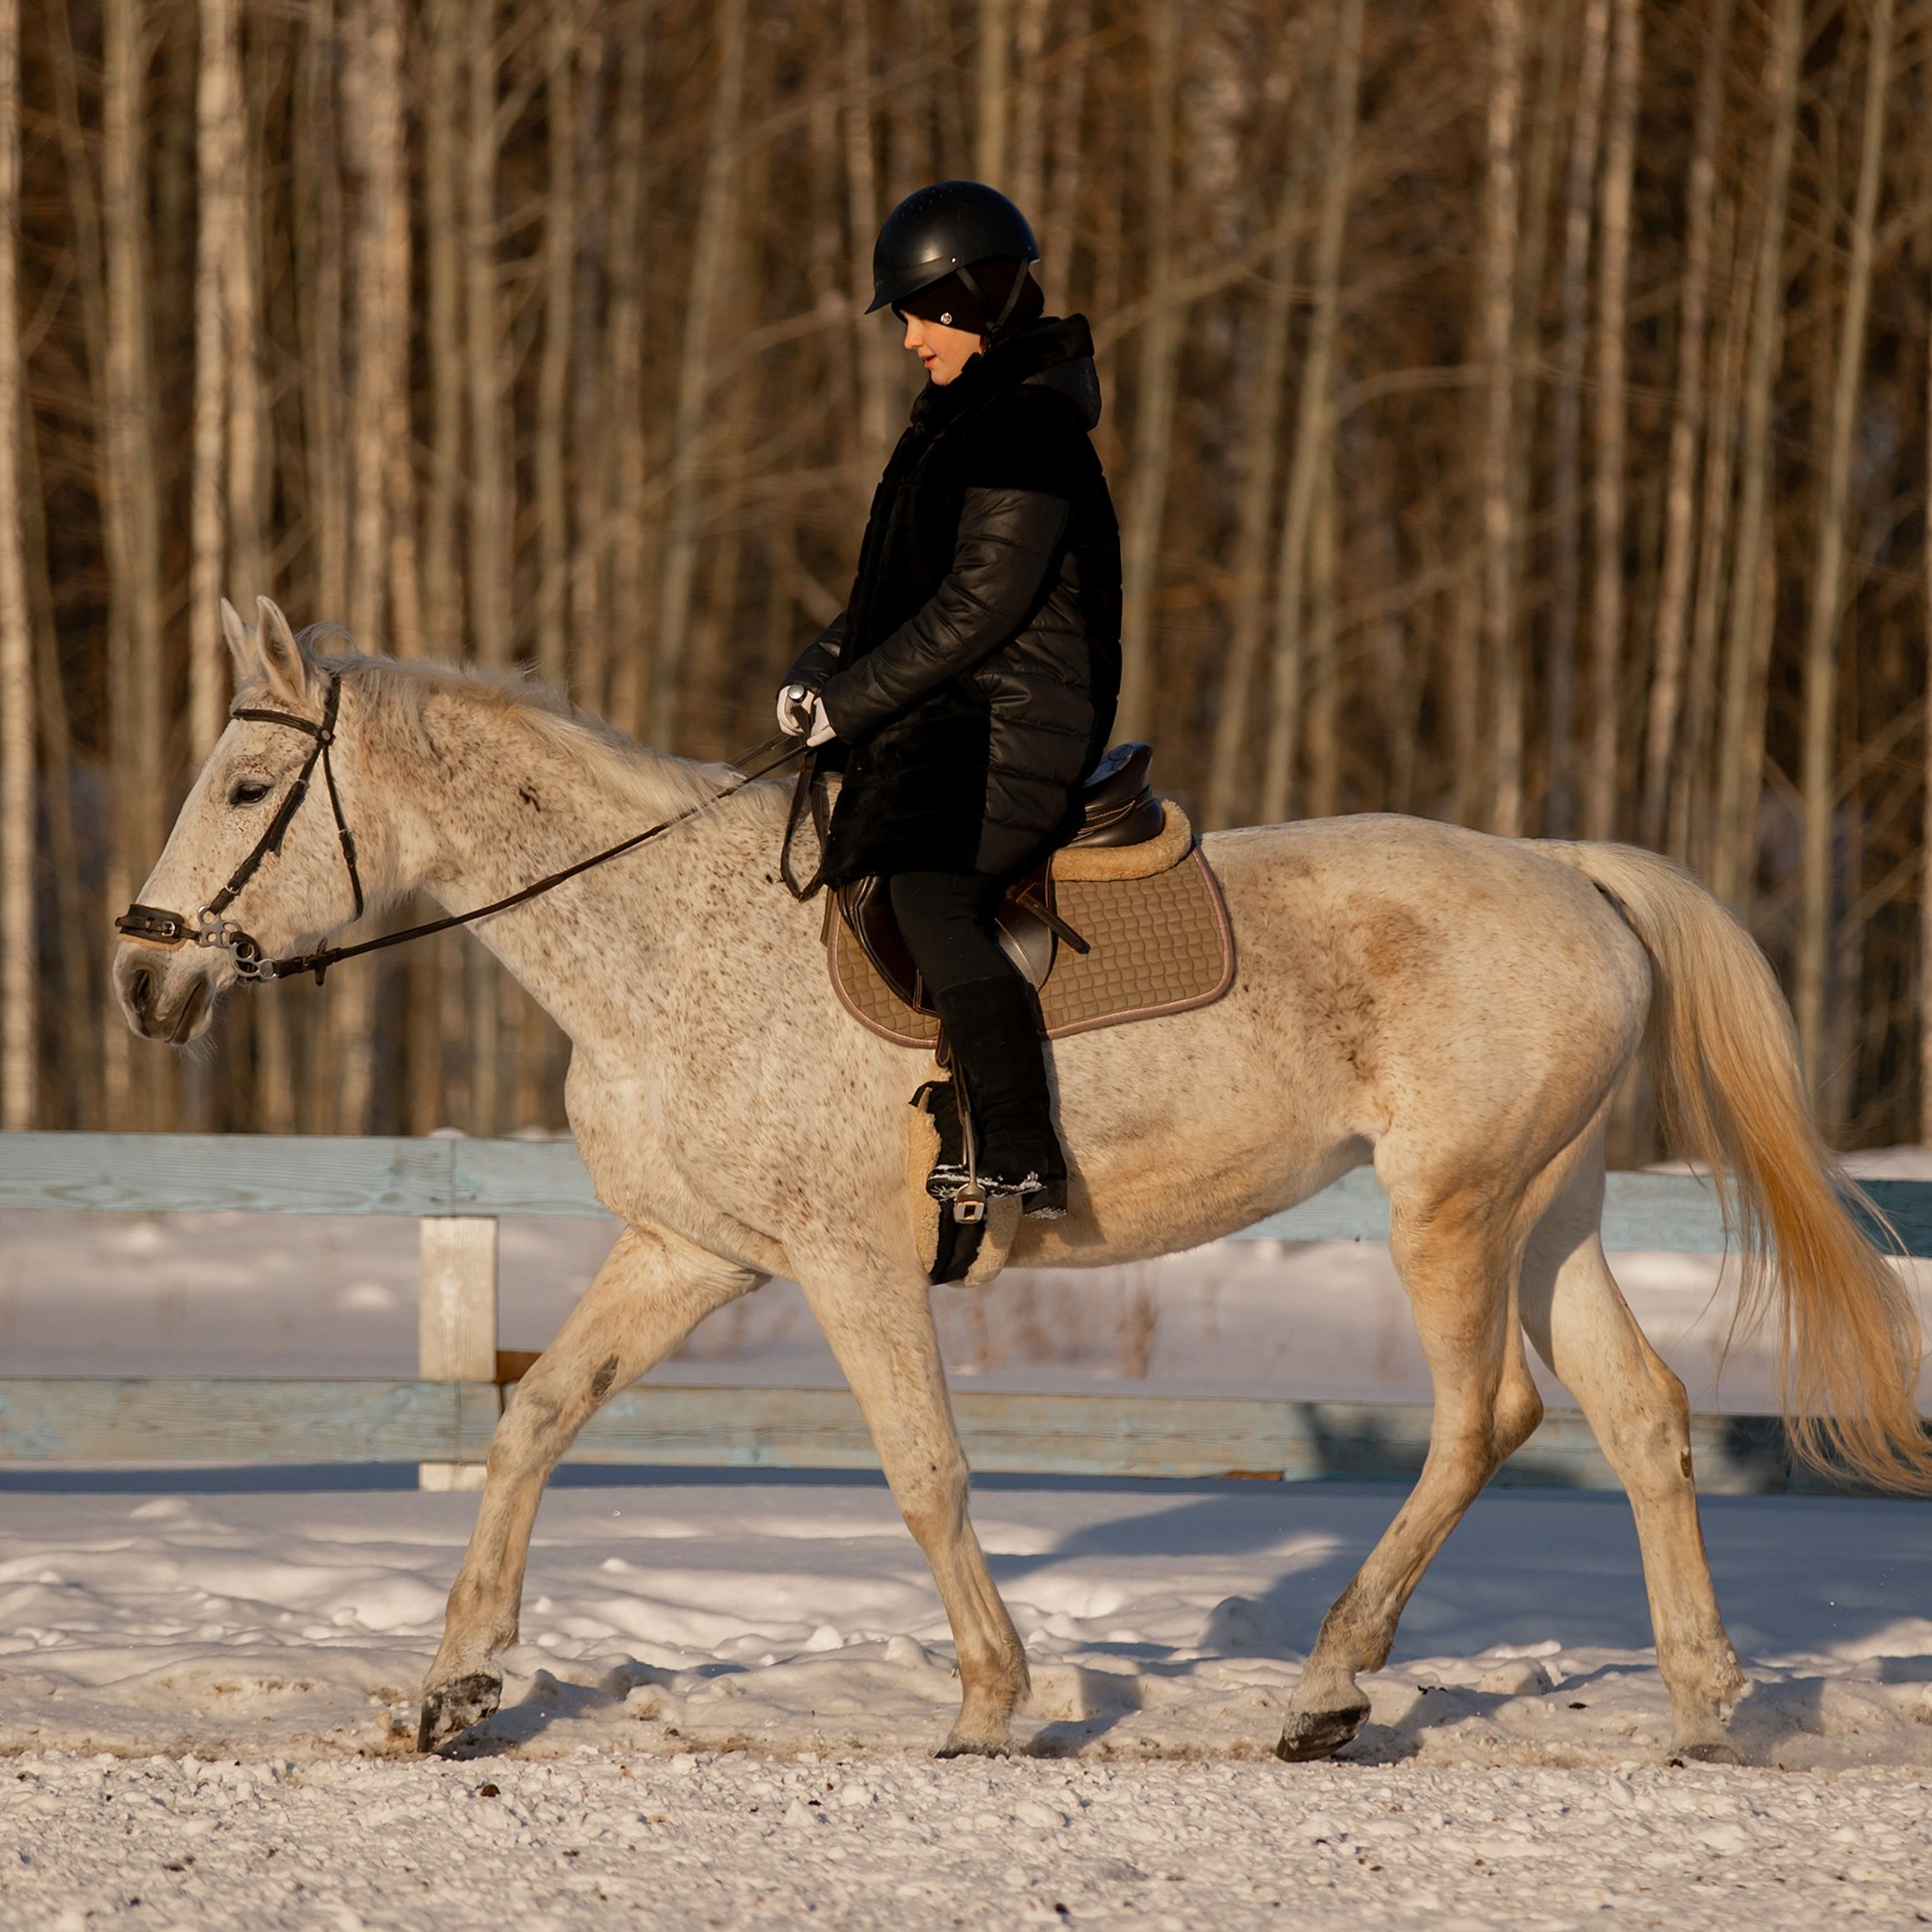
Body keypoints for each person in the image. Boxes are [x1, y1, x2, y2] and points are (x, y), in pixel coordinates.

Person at [777, 180, 1123, 1220]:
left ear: (977, 299)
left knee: (930, 894)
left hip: (1009, 726)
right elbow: (895, 593)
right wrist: (818, 670)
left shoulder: (1029, 432)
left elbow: (979, 608)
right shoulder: (957, 422)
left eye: (923, 313)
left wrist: (853, 702)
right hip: (947, 714)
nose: (910, 340)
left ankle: (1017, 1142)